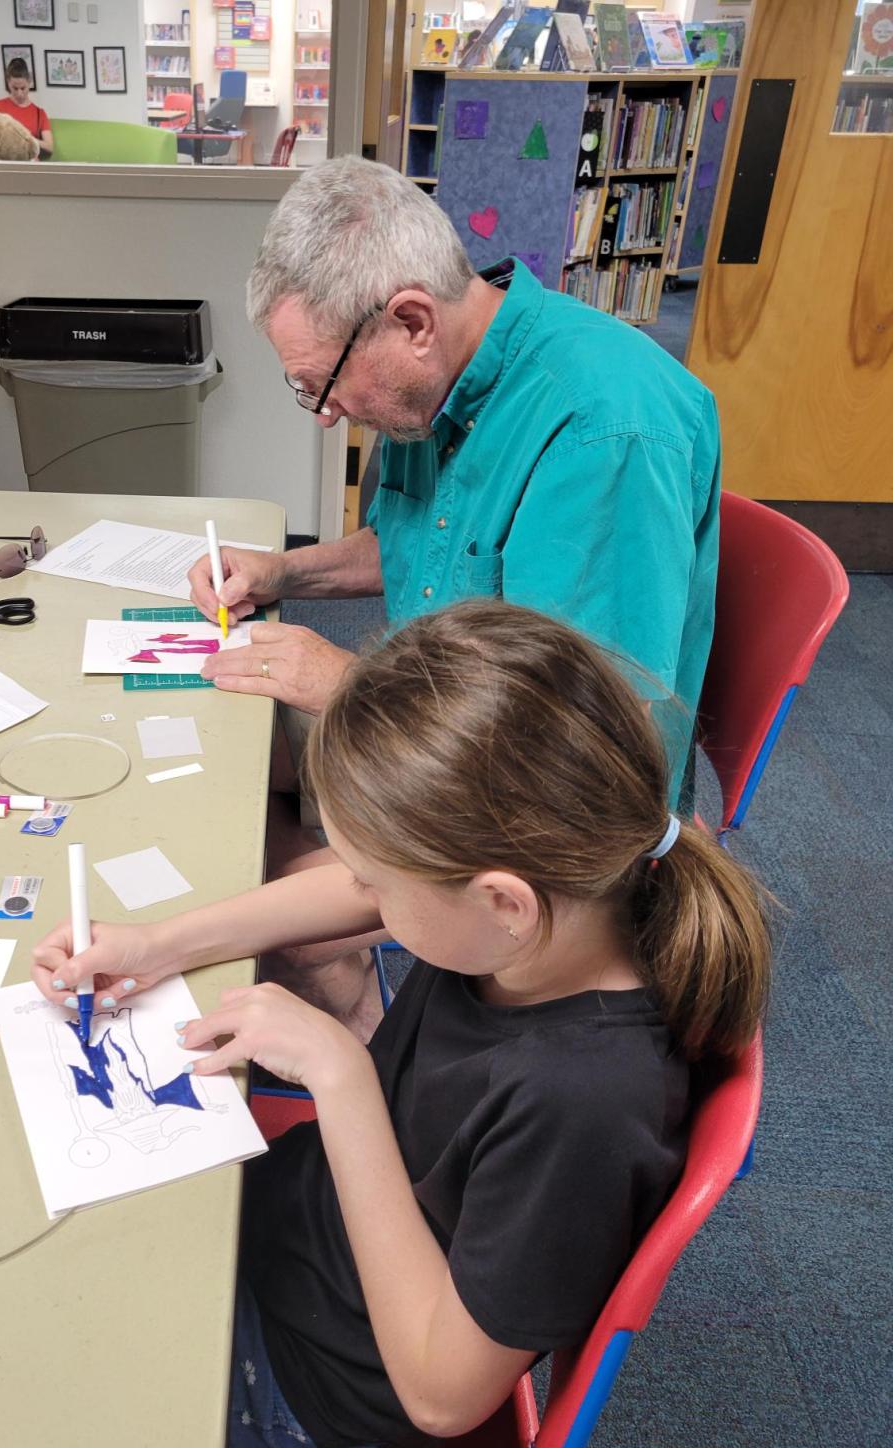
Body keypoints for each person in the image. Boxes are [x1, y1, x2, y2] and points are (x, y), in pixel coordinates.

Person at [33, 601, 770, 1448]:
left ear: (503, 902)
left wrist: (341, 1079)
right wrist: (155, 945)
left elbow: (440, 1395)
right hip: (293, 1235)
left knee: (18, 1366)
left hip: (306, 1399)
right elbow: (358, 895)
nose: (363, 891)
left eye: (382, 877)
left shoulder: (583, 1105)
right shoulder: (556, 904)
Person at [185, 154, 722, 1031]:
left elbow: (585, 735)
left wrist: (351, 686)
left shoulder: (604, 432)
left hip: (543, 793)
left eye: (318, 384)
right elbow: (421, 541)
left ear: (411, 320)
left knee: (253, 889)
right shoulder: (430, 387)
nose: (323, 413)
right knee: (223, 762)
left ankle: (373, 1065)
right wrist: (285, 572)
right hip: (438, 717)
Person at [0, 59, 53, 158]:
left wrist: (26, 138)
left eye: (23, 88)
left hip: (31, 168)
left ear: (29, 83)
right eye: (15, 88)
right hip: (6, 167)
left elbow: (49, 147)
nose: (19, 94)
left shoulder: (39, 113)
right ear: (8, 83)